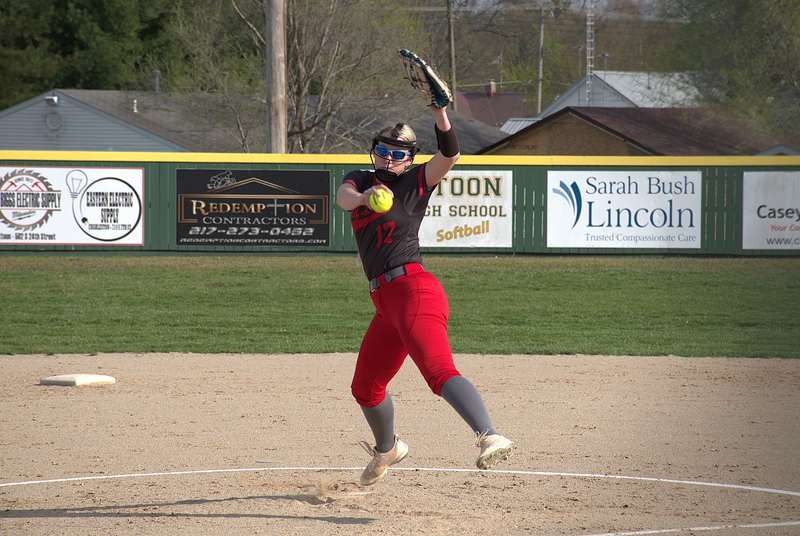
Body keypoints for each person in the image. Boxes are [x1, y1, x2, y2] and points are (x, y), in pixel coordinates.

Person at [335, 104, 514, 487]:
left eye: (399, 153)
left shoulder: (416, 183)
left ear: (410, 159)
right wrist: (365, 198)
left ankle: (489, 435)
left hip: (415, 291)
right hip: (384, 303)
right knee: (365, 388)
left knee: (438, 371)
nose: (389, 157)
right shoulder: (360, 181)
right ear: (374, 151)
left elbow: (449, 154)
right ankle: (388, 449)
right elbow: (343, 198)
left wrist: (441, 115)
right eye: (383, 150)